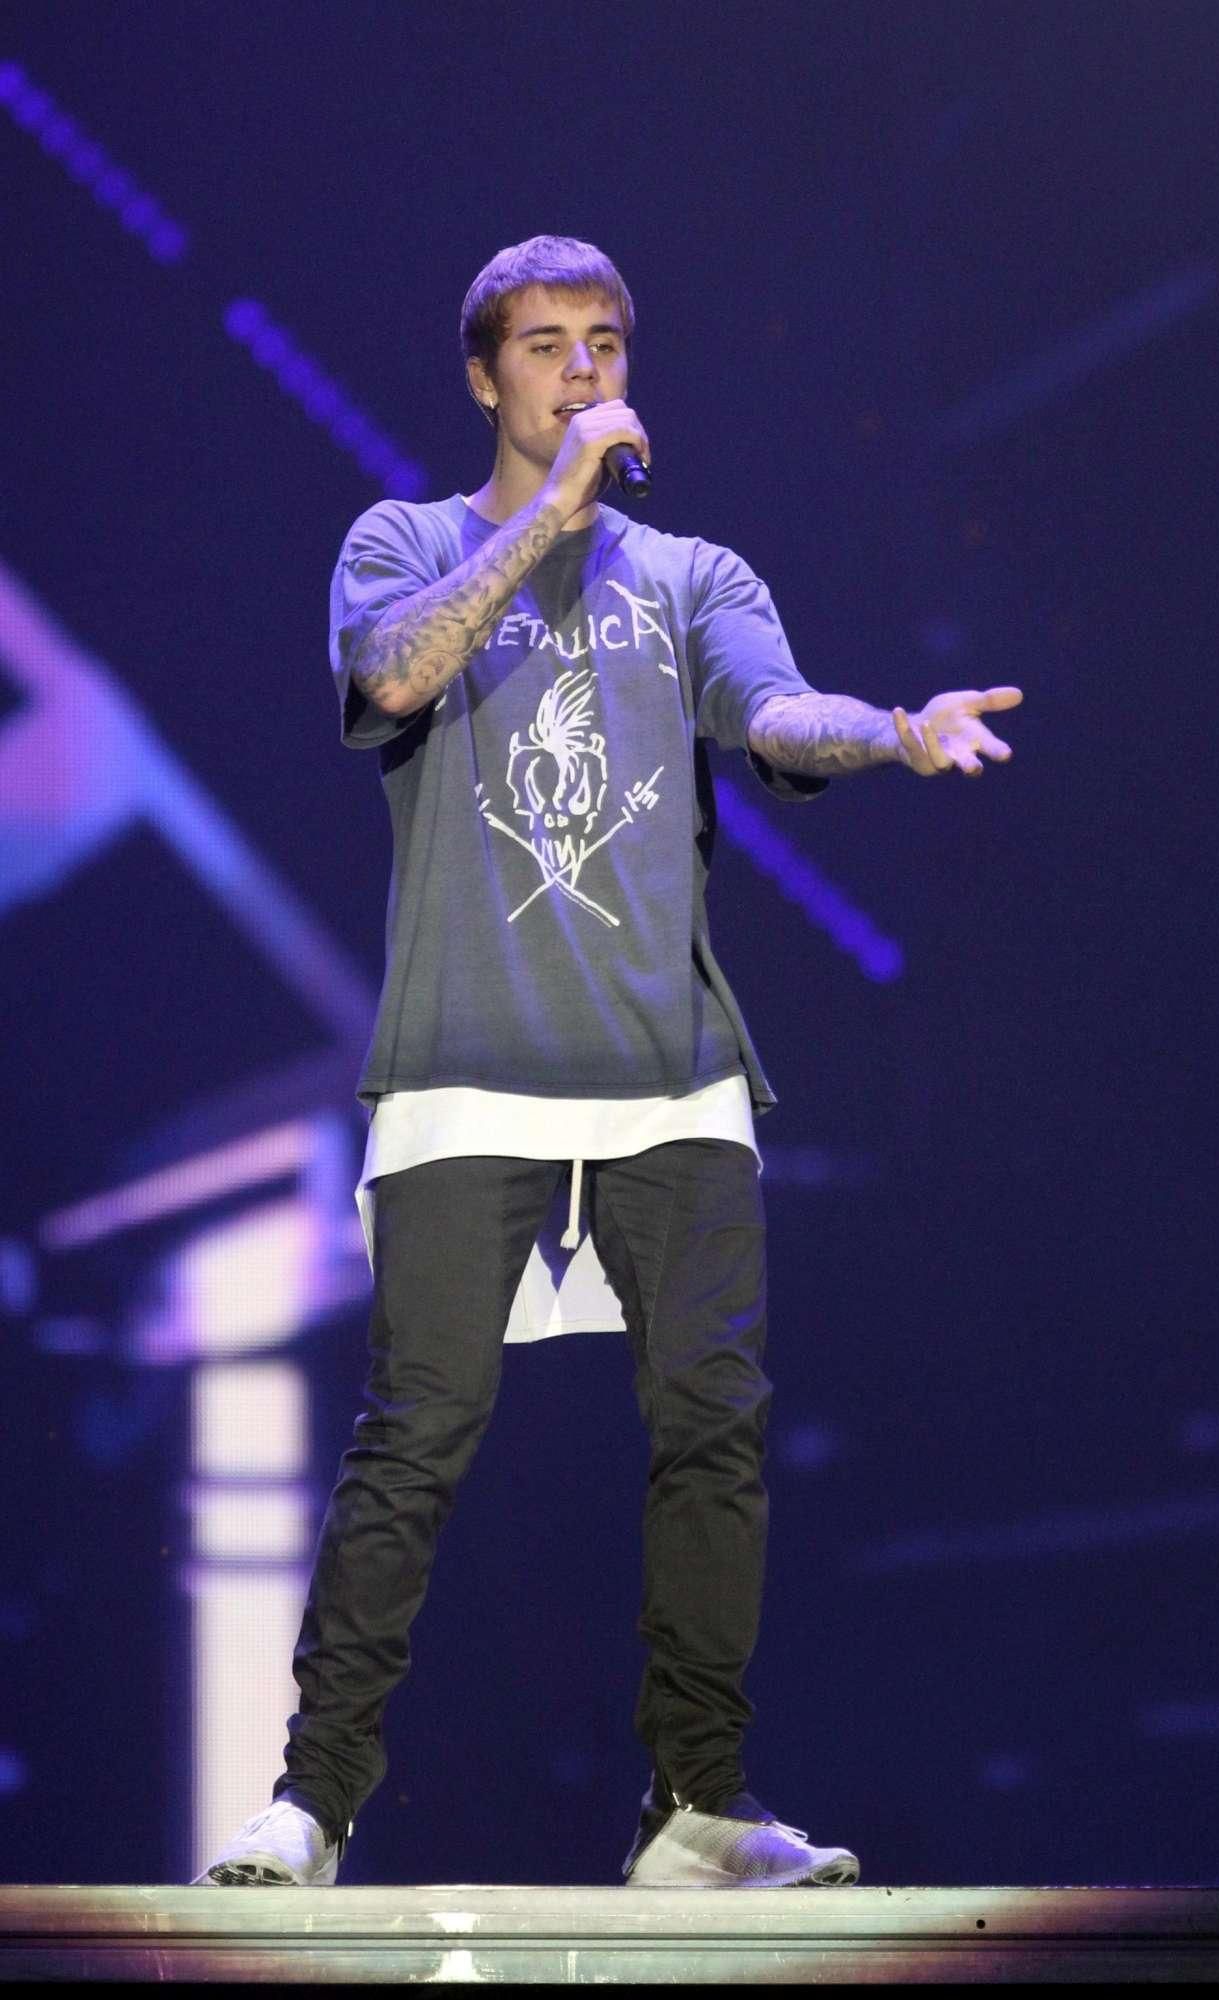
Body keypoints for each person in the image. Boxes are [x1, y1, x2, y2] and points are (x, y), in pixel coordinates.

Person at [194, 233, 1022, 1891]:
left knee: (714, 1424)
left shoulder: (694, 576)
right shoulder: (401, 543)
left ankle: (695, 1808)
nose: (582, 371)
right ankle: (312, 1802)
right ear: (483, 375)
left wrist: (892, 733)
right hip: (463, 1063)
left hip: (670, 1070)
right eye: (546, 345)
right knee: (416, 1432)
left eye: (605, 344)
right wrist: (551, 515)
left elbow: (775, 715)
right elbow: (392, 673)